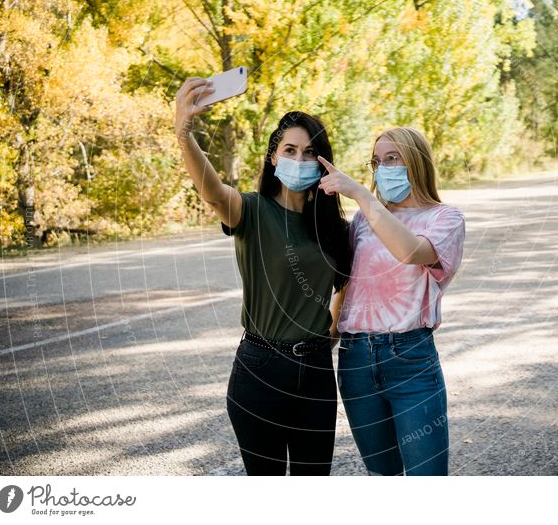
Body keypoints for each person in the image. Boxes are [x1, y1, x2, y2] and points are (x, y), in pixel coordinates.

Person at [174, 77, 350, 475]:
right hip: (260, 370)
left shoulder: (332, 226)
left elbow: (345, 284)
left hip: (317, 373)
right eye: (290, 150)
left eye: (310, 153)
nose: (300, 160)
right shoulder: (250, 211)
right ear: (273, 158)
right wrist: (183, 134)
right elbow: (214, 192)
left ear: (323, 161)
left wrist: (330, 332)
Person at [317, 126, 466, 475]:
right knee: (383, 476)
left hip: (410, 361)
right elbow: (348, 288)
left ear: (416, 161)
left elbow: (411, 251)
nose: (383, 168)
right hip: (355, 362)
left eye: (392, 158)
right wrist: (327, 340)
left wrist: (360, 194)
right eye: (377, 161)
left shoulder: (445, 218)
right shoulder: (363, 221)